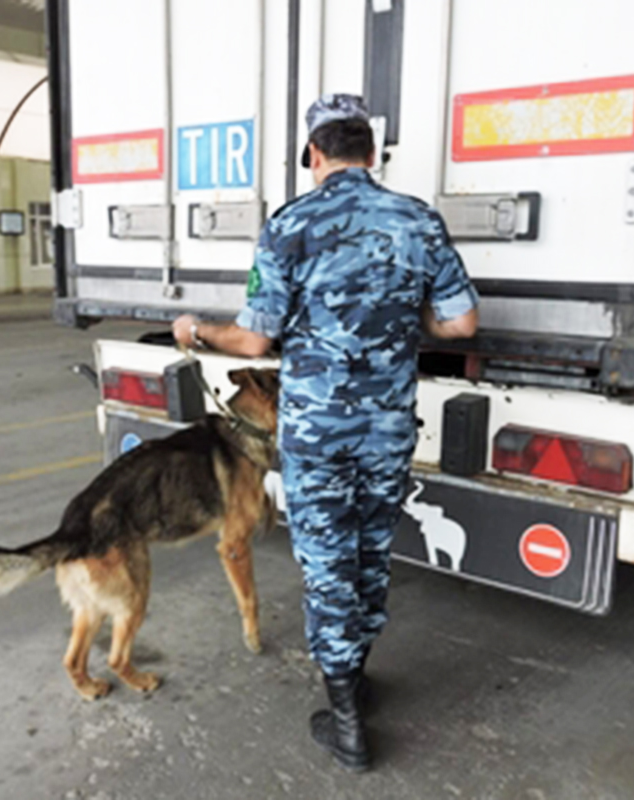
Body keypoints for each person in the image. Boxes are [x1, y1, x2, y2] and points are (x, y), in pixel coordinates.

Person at [173, 94, 478, 772]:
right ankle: (357, 679)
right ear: (373, 153)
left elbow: (253, 339)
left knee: (327, 561)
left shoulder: (291, 224)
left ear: (313, 153)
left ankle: (346, 720)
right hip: (388, 427)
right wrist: (401, 322)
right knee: (370, 551)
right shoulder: (418, 220)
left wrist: (197, 332)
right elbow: (461, 325)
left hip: (317, 431)